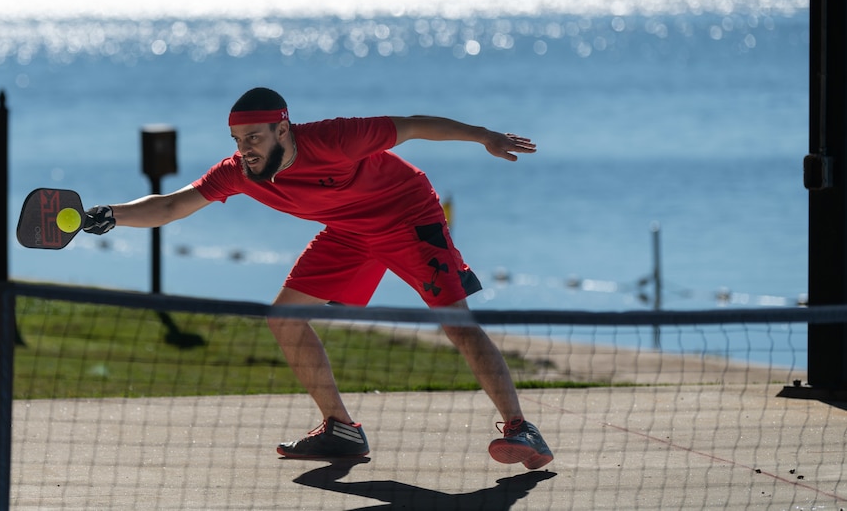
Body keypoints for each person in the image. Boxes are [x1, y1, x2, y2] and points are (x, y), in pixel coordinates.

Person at [82, 87, 553, 469]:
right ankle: (341, 430)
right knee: (283, 318)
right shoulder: (240, 174)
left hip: (407, 215)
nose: (244, 149)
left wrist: (485, 136)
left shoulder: (334, 139)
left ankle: (519, 427)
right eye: (237, 140)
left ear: (282, 128)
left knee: (456, 323)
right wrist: (106, 215)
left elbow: (411, 126)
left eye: (254, 138)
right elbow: (170, 205)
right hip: (349, 231)